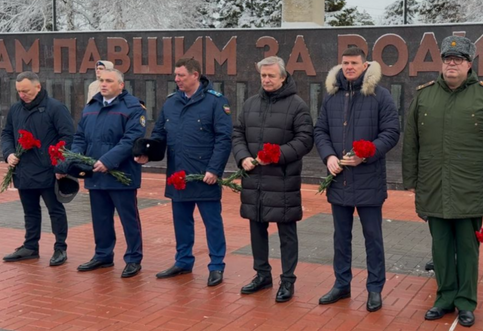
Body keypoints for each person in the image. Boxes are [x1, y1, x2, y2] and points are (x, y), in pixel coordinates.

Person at [402, 35, 483, 327]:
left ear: (469, 64)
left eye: (459, 59)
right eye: (448, 59)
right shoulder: (424, 95)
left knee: (466, 248)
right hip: (433, 184)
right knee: (440, 247)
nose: (452, 64)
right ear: (442, 63)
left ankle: (465, 302)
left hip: (470, 186)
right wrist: (410, 179)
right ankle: (444, 298)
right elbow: (410, 141)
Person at [313, 46, 400, 312]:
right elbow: (321, 130)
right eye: (345, 62)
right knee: (341, 237)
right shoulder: (331, 96)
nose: (349, 67)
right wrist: (328, 156)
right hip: (339, 180)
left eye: (354, 62)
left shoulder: (380, 96)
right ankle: (342, 284)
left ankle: (375, 288)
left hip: (368, 179)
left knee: (372, 237)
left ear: (365, 66)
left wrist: (367, 154)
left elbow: (392, 132)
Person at [135, 58, 232, 287]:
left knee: (212, 223)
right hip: (178, 175)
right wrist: (147, 153)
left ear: (195, 75)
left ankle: (216, 265)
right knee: (181, 222)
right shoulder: (171, 103)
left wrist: (214, 170)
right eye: (175, 75)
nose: (176, 79)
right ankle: (183, 261)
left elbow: (224, 138)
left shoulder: (215, 102)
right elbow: (159, 134)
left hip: (204, 176)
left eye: (181, 75)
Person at [232, 56, 313, 303]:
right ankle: (262, 275)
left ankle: (287, 280)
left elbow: (305, 139)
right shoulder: (250, 104)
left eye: (271, 76)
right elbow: (237, 133)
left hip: (282, 180)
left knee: (286, 232)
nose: (266, 80)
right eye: (263, 76)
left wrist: (276, 155)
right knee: (256, 227)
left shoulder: (297, 105)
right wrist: (242, 157)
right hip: (254, 179)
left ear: (283, 77)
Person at [67, 68, 146, 278]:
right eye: (101, 80)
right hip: (96, 174)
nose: (103, 84)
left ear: (121, 85)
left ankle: (133, 258)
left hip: (122, 173)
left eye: (109, 81)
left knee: (128, 219)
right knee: (100, 218)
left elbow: (131, 139)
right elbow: (80, 137)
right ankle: (103, 255)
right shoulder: (91, 107)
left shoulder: (133, 108)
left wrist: (108, 161)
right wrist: (76, 157)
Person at [1, 72, 74, 266]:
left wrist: (60, 163)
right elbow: (7, 133)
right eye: (19, 91)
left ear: (38, 87)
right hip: (23, 170)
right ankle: (30, 246)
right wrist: (9, 153)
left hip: (49, 170)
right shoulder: (16, 109)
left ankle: (60, 248)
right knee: (30, 211)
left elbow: (67, 137)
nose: (22, 95)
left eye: (25, 90)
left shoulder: (55, 108)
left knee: (55, 210)